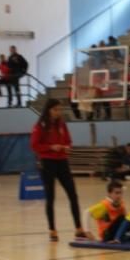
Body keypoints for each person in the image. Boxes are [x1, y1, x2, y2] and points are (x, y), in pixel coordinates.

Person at [29, 99, 86, 242]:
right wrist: (50, 147)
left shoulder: (62, 124)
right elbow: (34, 145)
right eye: (55, 110)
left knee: (73, 194)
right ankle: (52, 230)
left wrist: (66, 146)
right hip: (47, 162)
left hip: (62, 161)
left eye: (60, 110)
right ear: (48, 110)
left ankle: (79, 229)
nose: (58, 112)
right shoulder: (40, 125)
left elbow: (68, 140)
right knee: (50, 197)